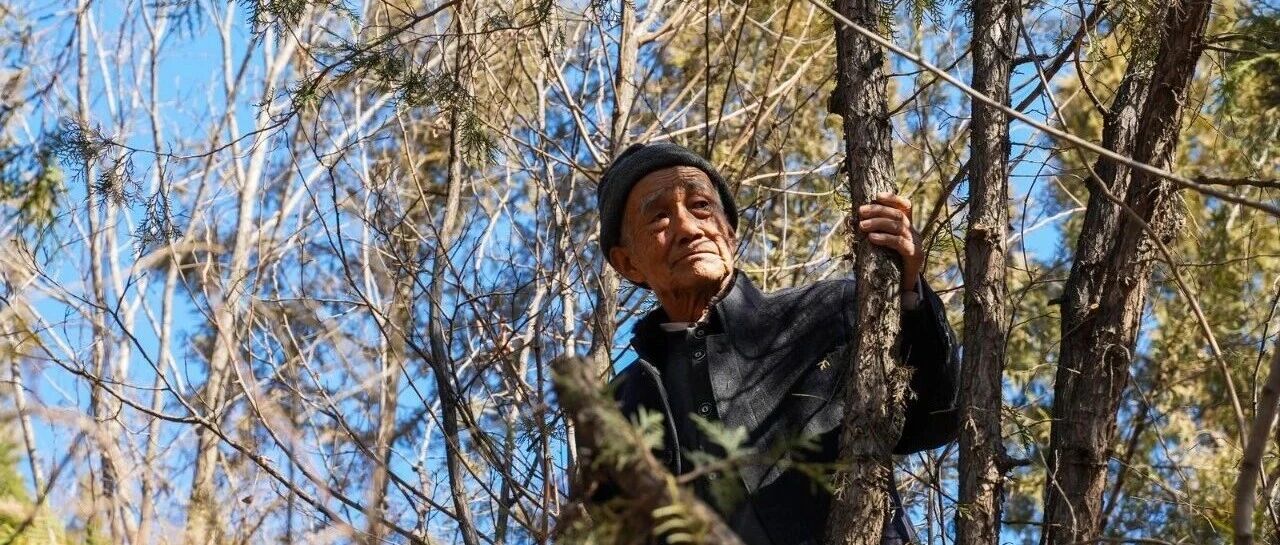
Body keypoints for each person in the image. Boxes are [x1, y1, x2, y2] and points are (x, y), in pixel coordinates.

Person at [595, 141, 960, 545]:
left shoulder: (830, 311)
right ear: (627, 263)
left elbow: (938, 419)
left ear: (730, 233)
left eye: (700, 206)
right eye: (659, 217)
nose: (688, 228)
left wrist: (906, 293)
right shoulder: (619, 406)